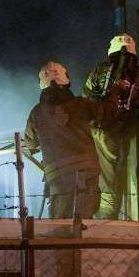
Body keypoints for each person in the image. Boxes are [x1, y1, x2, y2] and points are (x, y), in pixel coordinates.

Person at [22, 61, 106, 219]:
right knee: (84, 222)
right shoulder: (82, 104)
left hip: (59, 178)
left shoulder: (37, 113)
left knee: (60, 224)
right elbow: (106, 116)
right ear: (66, 79)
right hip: (87, 172)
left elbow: (30, 143)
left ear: (42, 83)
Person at [83, 33, 139, 221]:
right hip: (127, 131)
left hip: (103, 130)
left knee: (108, 178)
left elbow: (86, 97)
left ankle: (106, 217)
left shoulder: (100, 69)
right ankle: (125, 213)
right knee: (124, 174)